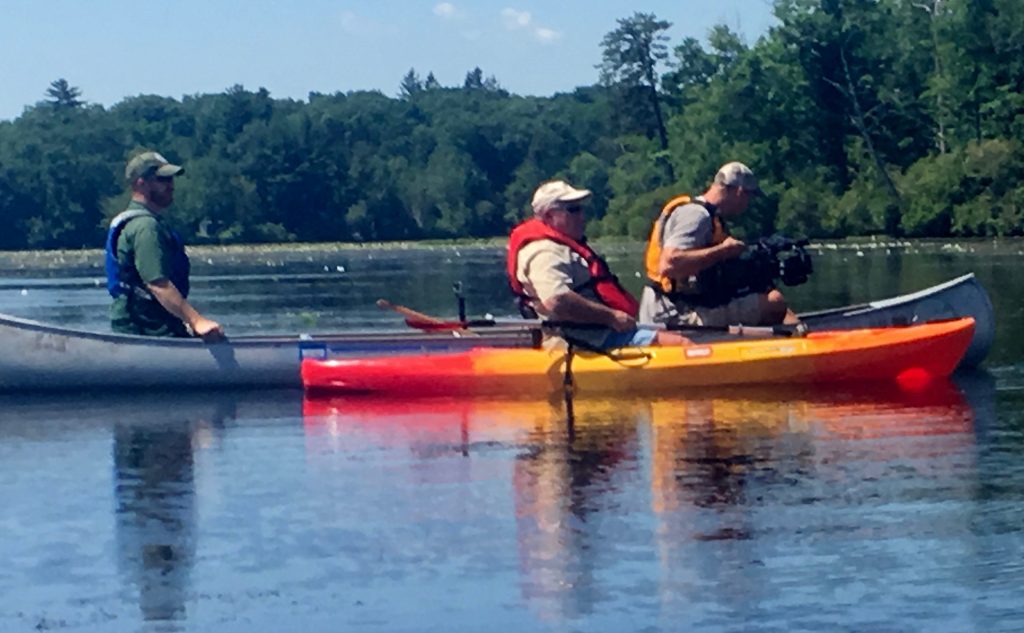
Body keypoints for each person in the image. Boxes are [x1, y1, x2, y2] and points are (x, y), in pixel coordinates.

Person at [508, 180, 689, 349]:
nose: (582, 216)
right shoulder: (544, 252)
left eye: (581, 209)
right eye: (573, 210)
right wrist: (612, 317)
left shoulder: (560, 247)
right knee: (680, 344)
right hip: (579, 341)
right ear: (549, 215)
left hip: (596, 335)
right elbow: (557, 301)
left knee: (669, 335)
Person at [639, 161, 797, 327]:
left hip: (685, 304)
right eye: (749, 197)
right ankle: (802, 346)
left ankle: (802, 338)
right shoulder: (697, 215)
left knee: (767, 295)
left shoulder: (710, 217)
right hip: (673, 313)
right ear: (739, 192)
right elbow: (669, 264)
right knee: (774, 303)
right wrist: (723, 251)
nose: (747, 203)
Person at [105, 151, 223, 340]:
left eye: (171, 179)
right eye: (162, 180)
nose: (171, 185)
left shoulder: (148, 223)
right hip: (147, 328)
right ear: (140, 183)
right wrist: (196, 321)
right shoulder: (145, 227)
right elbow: (157, 284)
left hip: (156, 325)